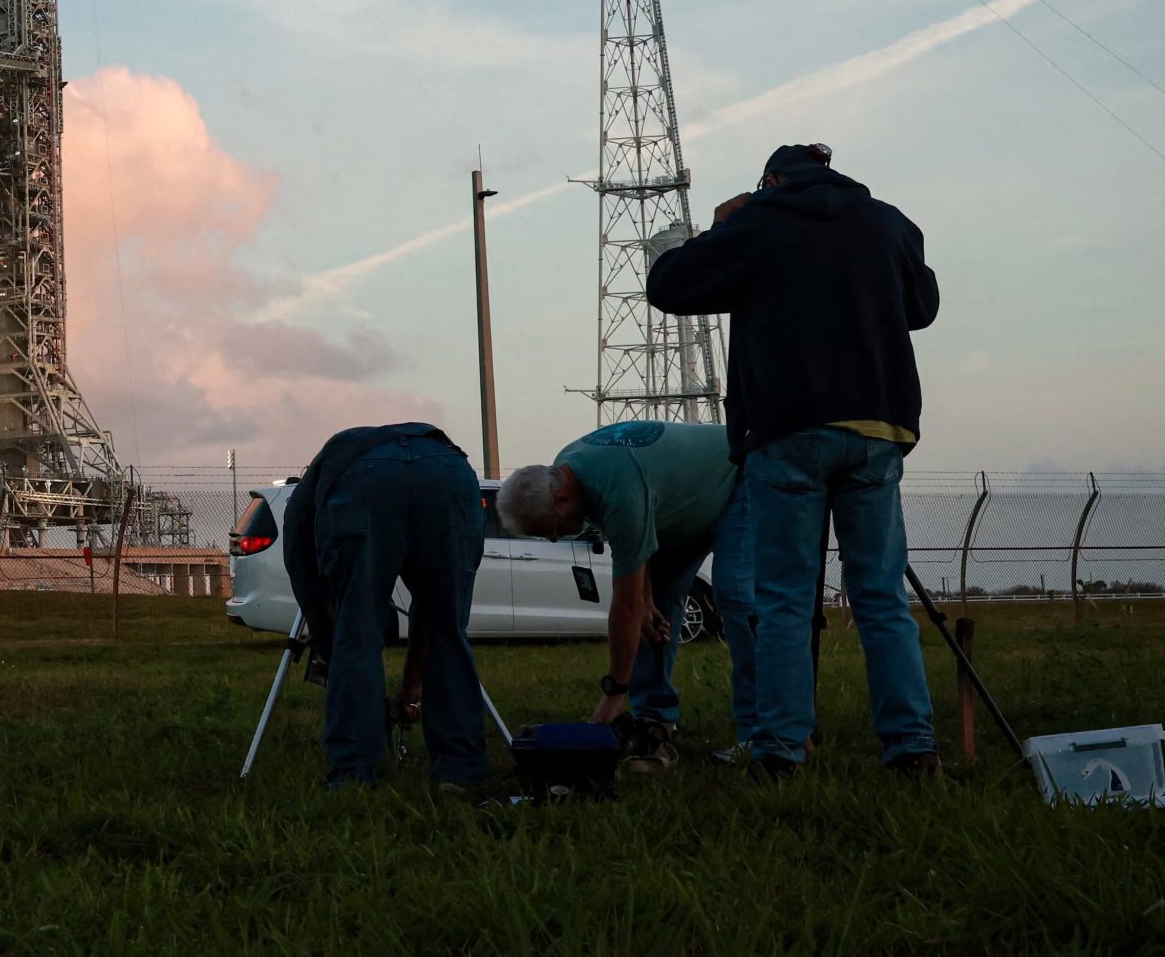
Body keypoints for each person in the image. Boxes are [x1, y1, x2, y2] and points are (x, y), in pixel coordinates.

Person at [647, 142, 941, 780]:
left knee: (782, 598)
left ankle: (779, 753)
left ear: (772, 179)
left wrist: (726, 229)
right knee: (881, 597)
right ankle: (912, 750)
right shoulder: (888, 222)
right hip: (878, 424)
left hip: (788, 428)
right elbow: (923, 308)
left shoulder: (759, 221)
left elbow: (666, 286)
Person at [496, 421, 757, 771]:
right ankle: (655, 717)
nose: (556, 541)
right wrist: (647, 603)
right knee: (655, 610)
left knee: (734, 594)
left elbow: (625, 607)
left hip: (740, 478)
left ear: (561, 498)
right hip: (681, 507)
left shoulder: (617, 490)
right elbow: (638, 562)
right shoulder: (565, 470)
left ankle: (767, 730)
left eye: (551, 531)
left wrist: (614, 692)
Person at [280, 423, 488, 790]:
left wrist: (333, 653)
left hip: (361, 479)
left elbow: (316, 605)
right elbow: (430, 610)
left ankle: (353, 775)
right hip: (447, 470)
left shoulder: (302, 510)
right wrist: (410, 687)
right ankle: (460, 771)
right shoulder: (318, 483)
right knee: (448, 629)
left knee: (356, 634)